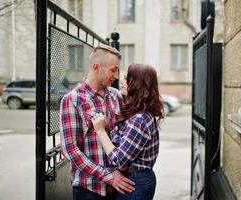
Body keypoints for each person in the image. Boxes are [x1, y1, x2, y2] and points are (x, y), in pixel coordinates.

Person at [60, 45, 135, 200]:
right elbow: (70, 150)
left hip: (118, 187)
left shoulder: (116, 96)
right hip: (88, 189)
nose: (116, 75)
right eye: (113, 70)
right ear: (96, 67)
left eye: (118, 70)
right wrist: (107, 175)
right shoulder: (72, 100)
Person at [92, 64, 164, 200]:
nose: (121, 80)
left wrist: (100, 130)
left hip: (135, 183)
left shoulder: (139, 119)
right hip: (136, 179)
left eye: (126, 78)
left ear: (137, 84)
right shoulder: (138, 113)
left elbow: (119, 161)